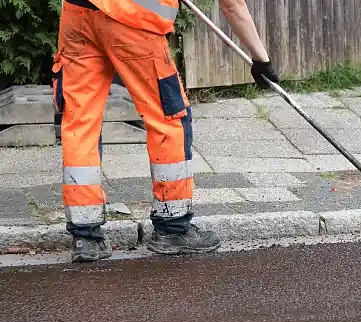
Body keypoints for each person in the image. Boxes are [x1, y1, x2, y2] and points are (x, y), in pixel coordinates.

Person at [53, 0, 280, 262]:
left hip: (77, 14)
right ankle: (172, 228)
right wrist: (261, 59)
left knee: (79, 123)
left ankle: (85, 237)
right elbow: (232, 6)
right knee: (168, 118)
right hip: (131, 17)